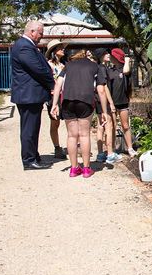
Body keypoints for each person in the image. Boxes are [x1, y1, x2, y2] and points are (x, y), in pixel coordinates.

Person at [50, 48, 107, 178]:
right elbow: (101, 90)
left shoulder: (68, 66)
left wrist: (54, 105)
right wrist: (104, 111)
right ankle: (86, 169)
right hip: (86, 101)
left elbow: (58, 84)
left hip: (68, 101)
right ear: (86, 54)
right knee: (84, 135)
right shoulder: (95, 66)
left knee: (72, 136)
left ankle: (74, 168)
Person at [10, 20, 55, 170]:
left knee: (33, 128)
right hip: (28, 95)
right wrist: (52, 84)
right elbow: (37, 69)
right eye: (40, 33)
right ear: (32, 32)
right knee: (29, 129)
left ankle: (33, 156)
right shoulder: (24, 46)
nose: (42, 36)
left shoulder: (27, 46)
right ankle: (29, 160)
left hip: (31, 95)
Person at [106, 48, 138, 157]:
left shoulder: (125, 69)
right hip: (112, 102)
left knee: (125, 125)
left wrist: (127, 60)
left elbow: (126, 71)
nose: (110, 57)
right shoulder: (110, 70)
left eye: (112, 56)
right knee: (112, 126)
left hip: (123, 101)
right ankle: (112, 149)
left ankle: (130, 148)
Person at [92, 49, 119, 164]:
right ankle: (110, 153)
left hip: (96, 99)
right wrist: (111, 102)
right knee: (109, 125)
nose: (108, 55)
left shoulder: (97, 67)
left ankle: (100, 154)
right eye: (106, 53)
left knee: (100, 125)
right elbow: (104, 87)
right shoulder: (102, 68)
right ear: (101, 56)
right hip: (103, 100)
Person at [45, 41, 68, 160]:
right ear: (54, 51)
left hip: (65, 95)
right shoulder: (48, 65)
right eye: (60, 48)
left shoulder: (64, 64)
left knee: (70, 121)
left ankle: (74, 145)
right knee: (55, 122)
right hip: (53, 96)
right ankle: (57, 147)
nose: (63, 49)